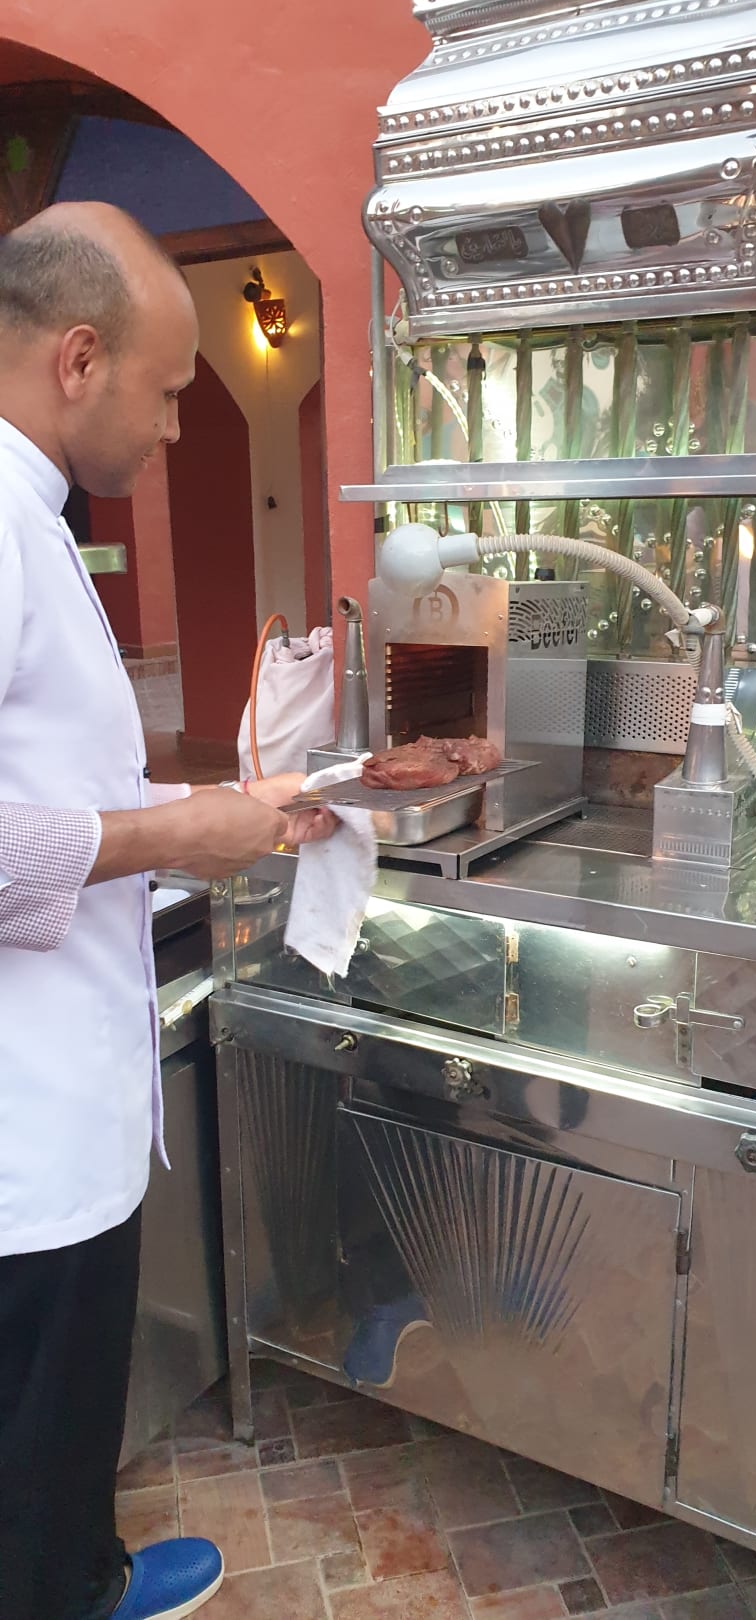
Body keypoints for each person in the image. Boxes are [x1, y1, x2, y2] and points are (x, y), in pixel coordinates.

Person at [0, 202, 334, 1620]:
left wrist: (220, 816)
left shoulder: (36, 519)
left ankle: (87, 1575)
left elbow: (59, 792)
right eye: (171, 390)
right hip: (20, 1140)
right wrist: (176, 832)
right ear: (80, 359)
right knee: (30, 1451)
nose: (179, 427)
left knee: (62, 1448)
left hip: (67, 1101)